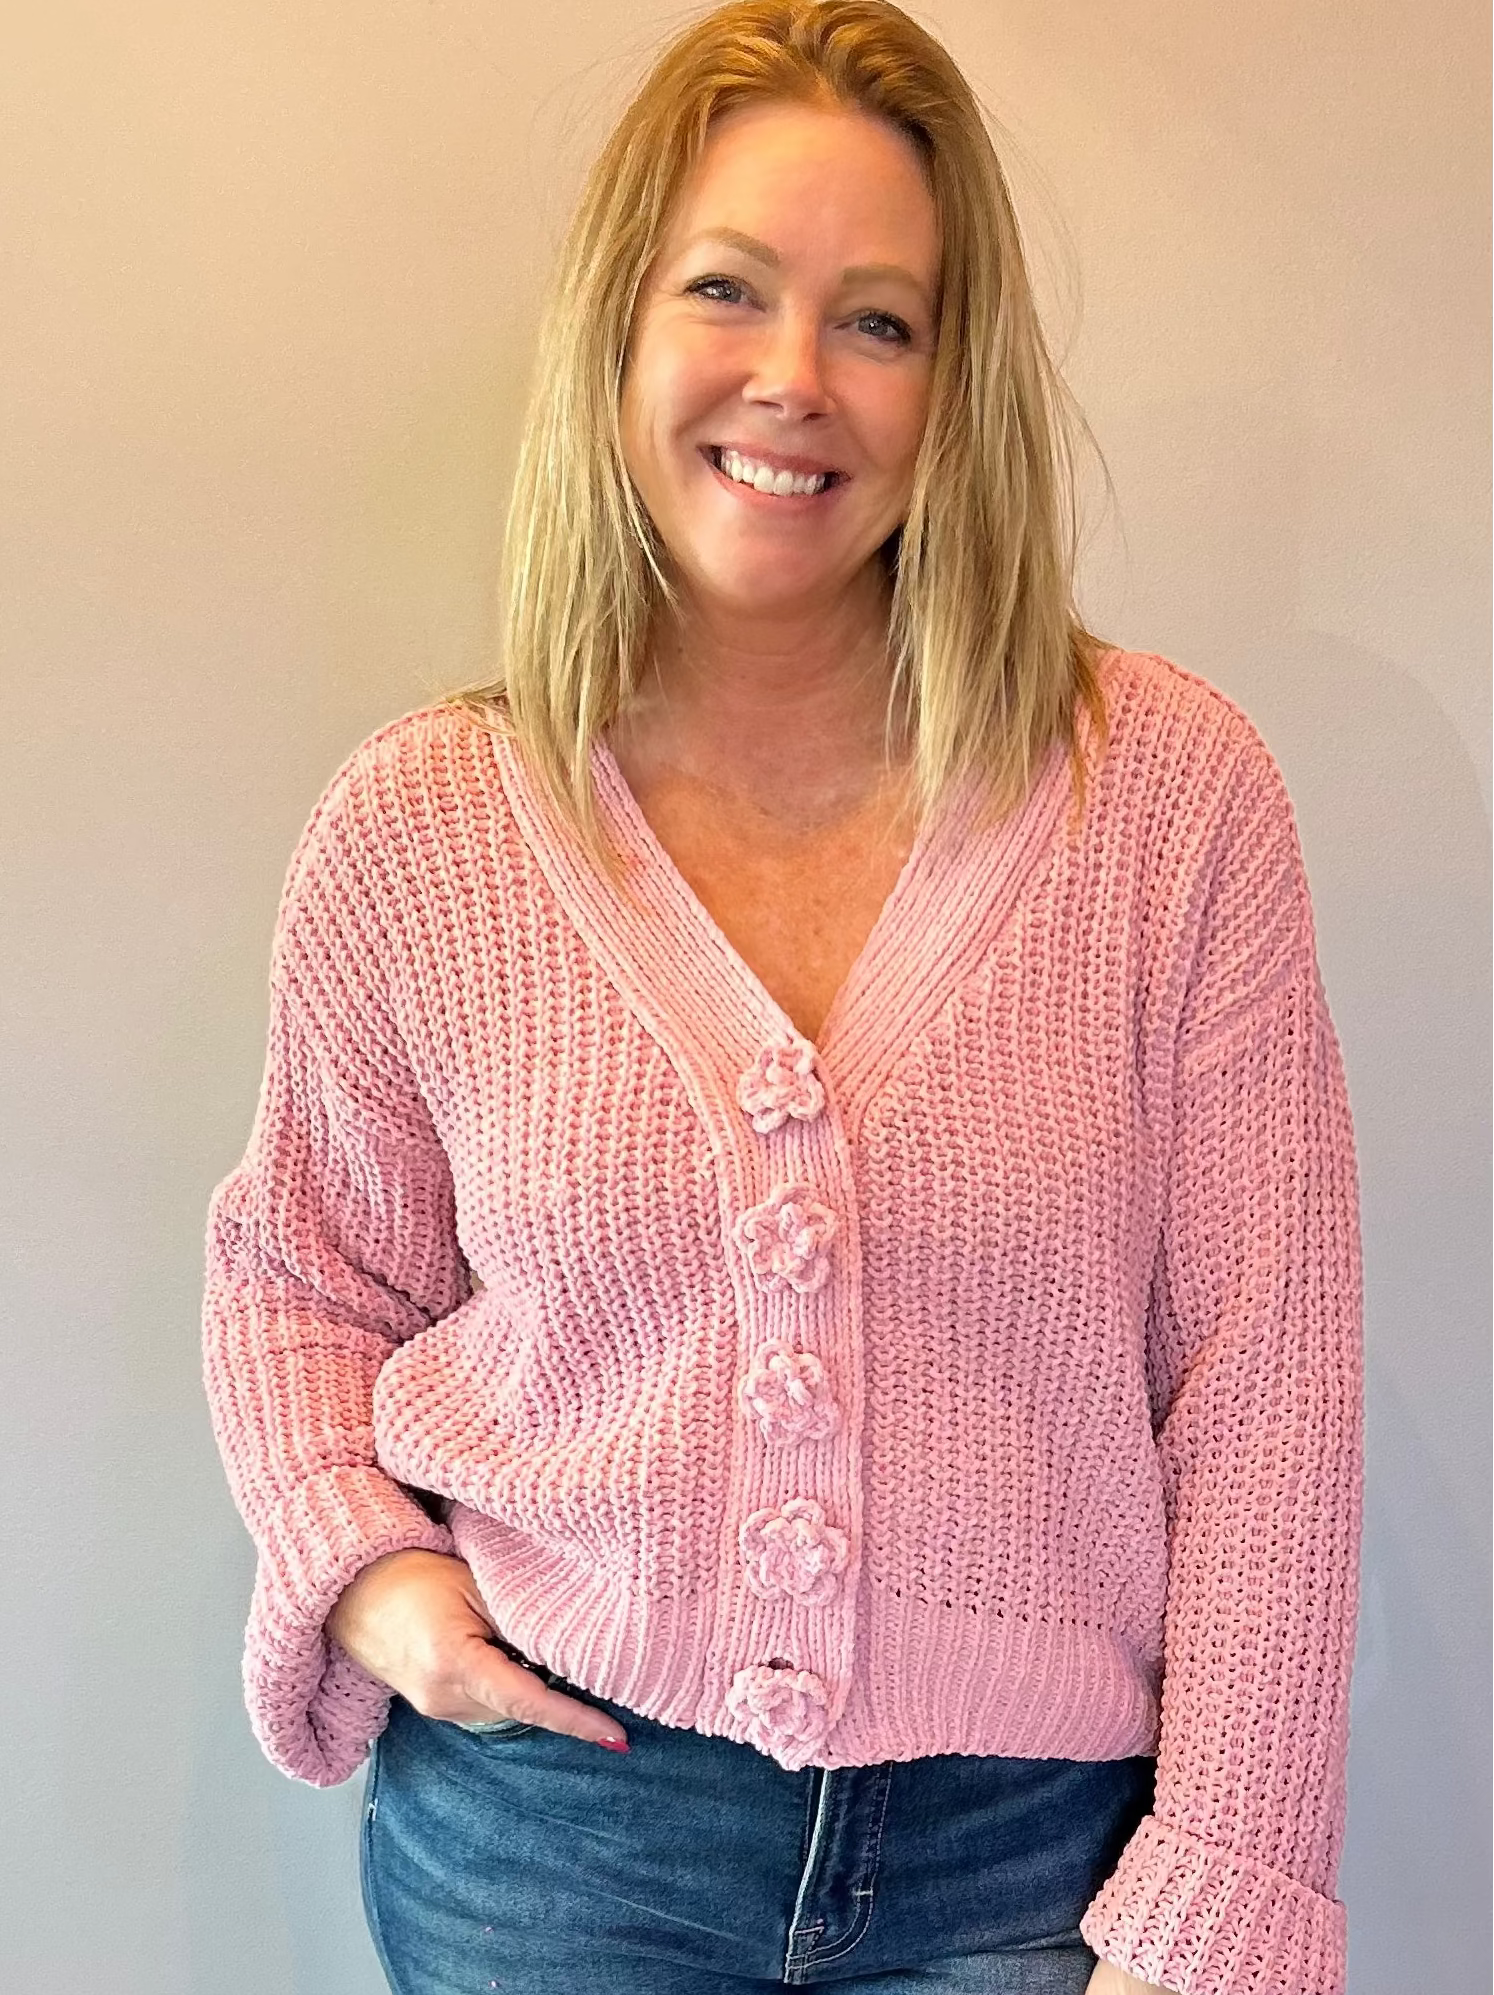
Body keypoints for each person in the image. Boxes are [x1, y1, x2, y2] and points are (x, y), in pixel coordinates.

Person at [201, 4, 1364, 1992]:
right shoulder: (426, 830)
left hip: (1036, 1872)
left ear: (954, 380)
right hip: (551, 1848)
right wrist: (370, 1572)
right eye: (727, 288)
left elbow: (1268, 1380)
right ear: (623, 332)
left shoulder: (1166, 805)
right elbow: (305, 1278)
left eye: (881, 320)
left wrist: (1235, 1874)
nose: (792, 378)